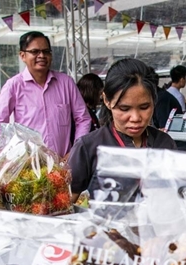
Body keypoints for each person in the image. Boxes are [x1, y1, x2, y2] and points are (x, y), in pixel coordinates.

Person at [68, 58, 176, 201]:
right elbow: (65, 204)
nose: (136, 118)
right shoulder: (89, 147)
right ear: (107, 100)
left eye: (144, 107)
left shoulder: (164, 144)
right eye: (124, 108)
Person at [0, 31, 91, 158]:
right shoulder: (14, 86)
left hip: (63, 164)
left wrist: (75, 151)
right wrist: (13, 154)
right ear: (22, 55)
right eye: (35, 52)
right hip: (29, 167)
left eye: (46, 51)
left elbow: (83, 119)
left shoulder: (66, 83)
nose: (42, 55)